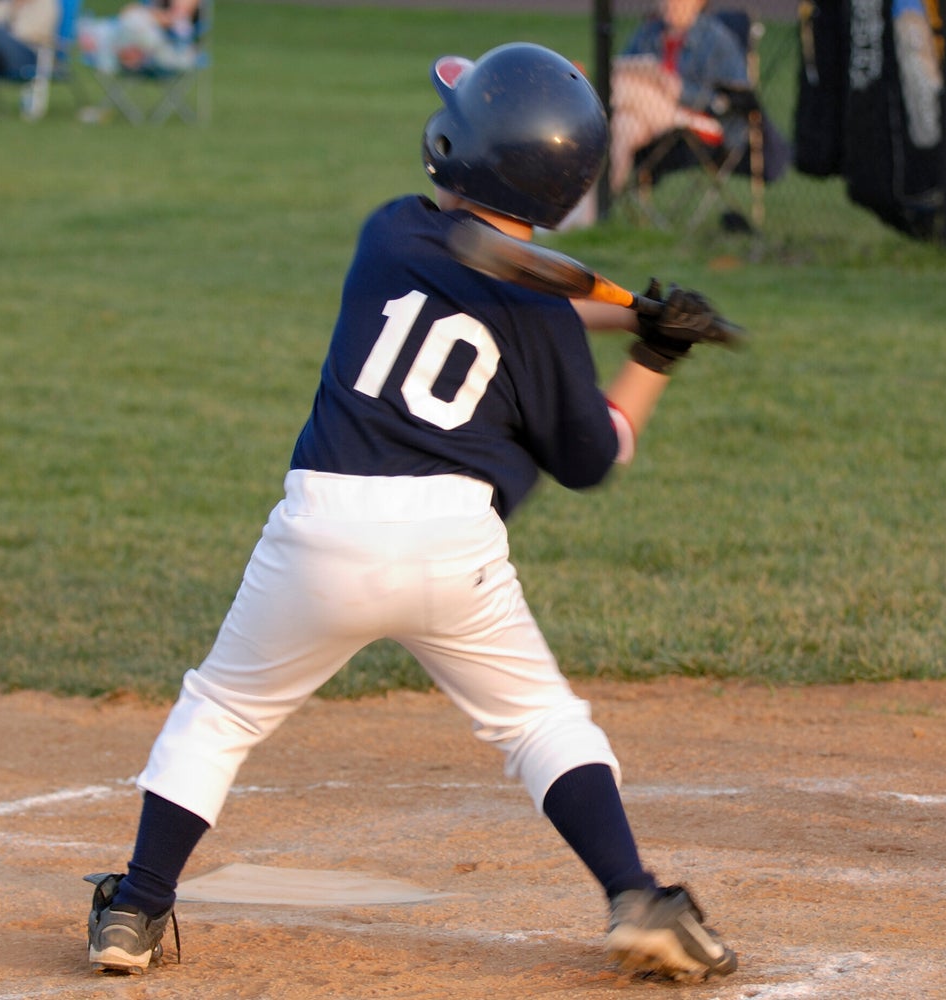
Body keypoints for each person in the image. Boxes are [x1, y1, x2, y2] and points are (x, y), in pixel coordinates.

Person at [82, 42, 739, 983]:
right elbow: (596, 448)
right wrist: (655, 357)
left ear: (455, 148)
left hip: (320, 528)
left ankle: (136, 910)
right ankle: (636, 893)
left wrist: (624, 311)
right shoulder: (548, 323)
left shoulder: (390, 233)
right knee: (541, 726)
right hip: (451, 548)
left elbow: (500, 279)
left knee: (221, 710)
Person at [608, 0, 751, 193]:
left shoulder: (717, 40)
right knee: (623, 127)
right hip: (653, 118)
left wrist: (680, 90)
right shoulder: (649, 32)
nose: (670, 3)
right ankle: (593, 210)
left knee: (616, 87)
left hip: (702, 125)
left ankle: (587, 103)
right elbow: (621, 65)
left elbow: (734, 99)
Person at [0, 0, 57, 125]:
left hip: (27, 56)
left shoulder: (45, 4)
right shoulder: (5, 3)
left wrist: (3, 33)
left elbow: (35, 34)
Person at [77, 0, 199, 74]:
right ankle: (101, 41)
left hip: (170, 49)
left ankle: (99, 42)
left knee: (132, 18)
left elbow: (175, 19)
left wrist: (148, 14)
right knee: (131, 18)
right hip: (143, 42)